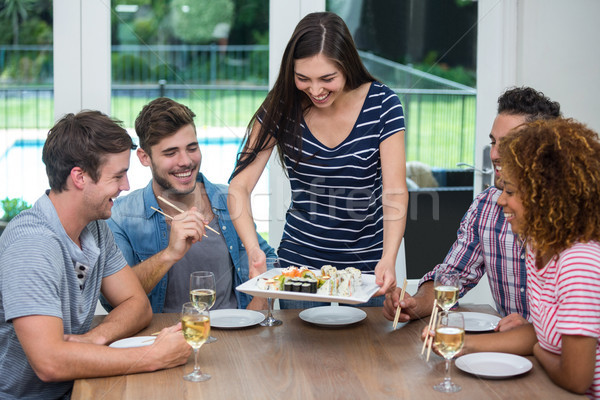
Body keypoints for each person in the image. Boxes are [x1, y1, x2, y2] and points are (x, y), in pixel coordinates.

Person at [0, 111, 190, 399]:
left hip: (79, 387)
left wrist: (94, 338)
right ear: (79, 177)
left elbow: (137, 304)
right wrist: (152, 356)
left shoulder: (95, 229)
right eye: (117, 176)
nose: (126, 186)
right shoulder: (32, 244)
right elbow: (49, 363)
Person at [228, 11, 408, 306]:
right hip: (299, 271)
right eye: (303, 78)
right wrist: (253, 249)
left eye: (327, 78)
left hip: (365, 274)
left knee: (366, 353)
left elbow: (395, 191)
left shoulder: (383, 104)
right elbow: (239, 186)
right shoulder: (282, 105)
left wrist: (389, 258)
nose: (315, 90)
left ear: (347, 66)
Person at [383, 86, 561, 329]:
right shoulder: (487, 205)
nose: (495, 153)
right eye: (493, 142)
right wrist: (415, 304)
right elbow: (452, 275)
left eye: (508, 144)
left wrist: (533, 332)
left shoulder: (576, 218)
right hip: (508, 355)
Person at [459, 118, 600, 398]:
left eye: (510, 191)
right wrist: (464, 343)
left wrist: (539, 351)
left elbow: (575, 378)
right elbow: (540, 332)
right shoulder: (538, 249)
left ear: (544, 197)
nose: (501, 201)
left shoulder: (578, 263)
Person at [106, 97, 276, 313]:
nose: (185, 161)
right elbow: (114, 297)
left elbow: (267, 259)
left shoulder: (229, 199)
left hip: (232, 335)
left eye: (192, 148)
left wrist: (256, 306)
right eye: (170, 153)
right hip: (159, 339)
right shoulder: (119, 216)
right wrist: (169, 253)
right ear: (144, 157)